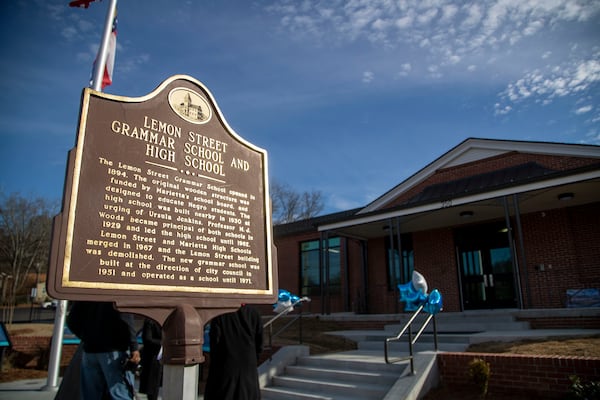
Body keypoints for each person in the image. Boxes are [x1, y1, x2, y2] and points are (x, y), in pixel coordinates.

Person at [66, 301, 141, 400]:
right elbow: (126, 319)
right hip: (113, 349)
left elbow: (72, 320)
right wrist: (134, 347)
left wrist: (86, 336)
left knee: (90, 394)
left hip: (90, 349)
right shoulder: (118, 291)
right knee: (120, 393)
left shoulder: (87, 291)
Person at [204, 304, 264, 400]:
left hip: (225, 368)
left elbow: (215, 343)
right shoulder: (254, 313)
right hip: (248, 369)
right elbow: (260, 343)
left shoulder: (220, 314)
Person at [139, 318, 162, 400]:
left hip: (163, 358)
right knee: (152, 388)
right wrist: (162, 343)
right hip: (153, 357)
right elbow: (147, 339)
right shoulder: (150, 321)